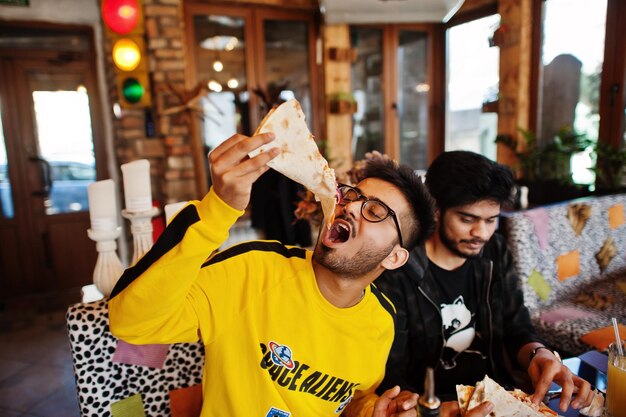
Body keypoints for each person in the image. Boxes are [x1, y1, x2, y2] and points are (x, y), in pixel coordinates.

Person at [108, 132, 437, 416]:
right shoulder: (254, 269)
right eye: (352, 195)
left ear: (395, 257)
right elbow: (131, 322)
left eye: (376, 211)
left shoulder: (381, 321)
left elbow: (348, 398)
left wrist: (369, 410)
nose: (349, 207)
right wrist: (217, 210)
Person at [371, 151, 594, 415]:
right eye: (467, 219)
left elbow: (516, 326)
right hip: (433, 407)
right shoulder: (399, 269)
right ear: (436, 209)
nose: (482, 233)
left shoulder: (494, 252)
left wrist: (539, 354)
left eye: (491, 220)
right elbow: (390, 375)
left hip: (499, 397)